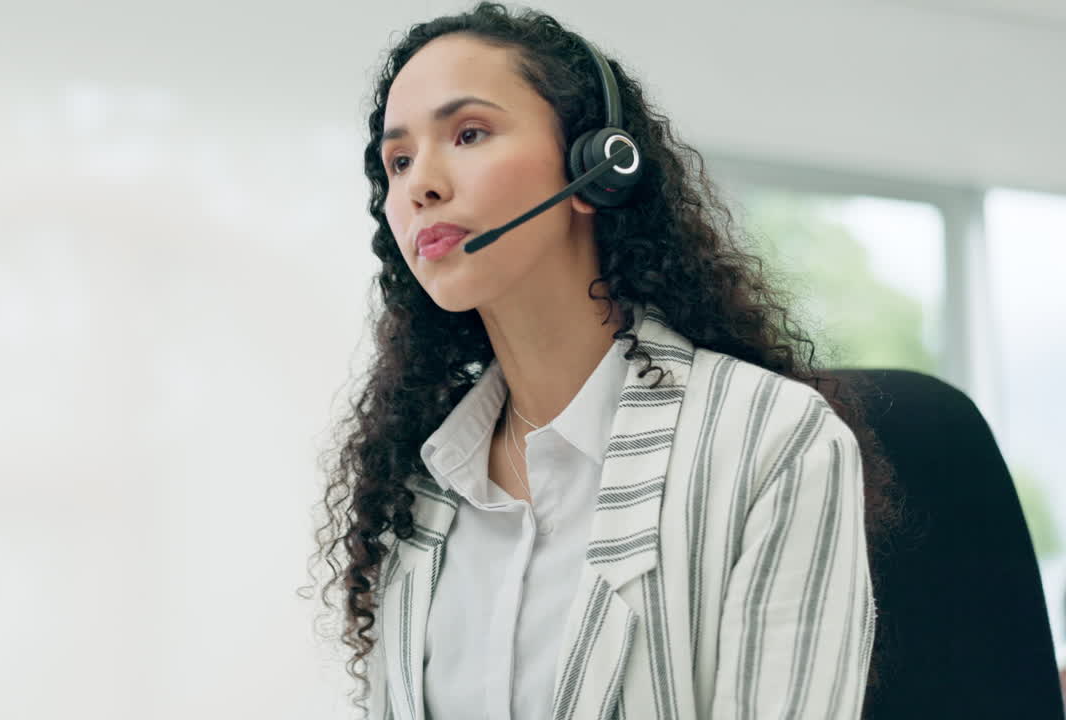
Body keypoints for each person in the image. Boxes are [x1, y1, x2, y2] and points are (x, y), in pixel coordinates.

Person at [305, 3, 898, 718]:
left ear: (599, 167)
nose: (419, 185)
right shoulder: (423, 484)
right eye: (397, 161)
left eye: (468, 133)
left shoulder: (772, 440)